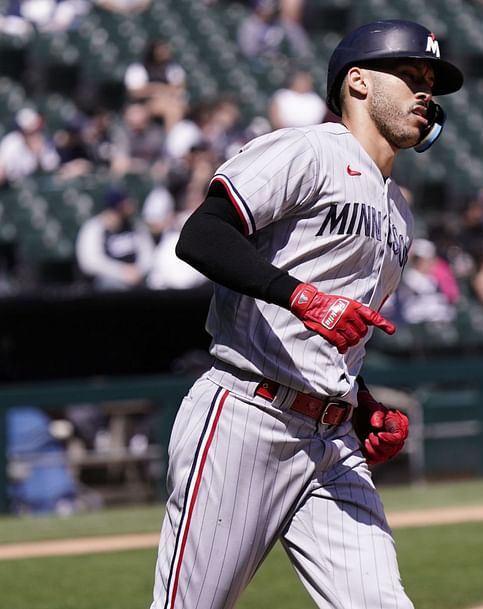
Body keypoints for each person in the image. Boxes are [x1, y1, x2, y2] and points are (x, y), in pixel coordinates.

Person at [148, 19, 463, 609]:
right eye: (410, 75)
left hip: (332, 438)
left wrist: (362, 403)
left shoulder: (399, 213)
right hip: (247, 416)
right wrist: (300, 297)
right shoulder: (307, 149)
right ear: (359, 82)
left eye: (432, 83)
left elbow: (336, 329)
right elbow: (201, 235)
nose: (426, 92)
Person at [75, 185, 155, 291]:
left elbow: (148, 253)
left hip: (138, 278)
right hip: (107, 283)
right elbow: (89, 263)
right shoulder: (94, 228)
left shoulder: (135, 225)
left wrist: (139, 270)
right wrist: (122, 272)